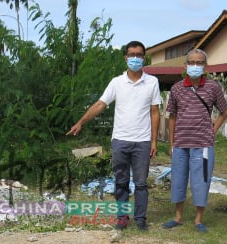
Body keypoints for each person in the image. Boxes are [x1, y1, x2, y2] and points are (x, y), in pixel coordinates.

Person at [66, 41, 162, 231]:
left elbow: (154, 112)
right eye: (131, 54)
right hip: (120, 141)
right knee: (121, 181)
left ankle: (141, 219)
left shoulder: (152, 82)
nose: (135, 58)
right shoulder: (117, 82)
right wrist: (81, 122)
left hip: (142, 142)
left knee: (141, 183)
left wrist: (153, 141)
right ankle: (122, 218)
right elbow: (100, 104)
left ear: (144, 57)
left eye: (139, 55)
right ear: (125, 57)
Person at [161, 49, 227, 233]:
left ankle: (199, 220)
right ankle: (177, 217)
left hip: (204, 143)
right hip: (180, 144)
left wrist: (213, 130)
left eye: (199, 62)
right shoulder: (176, 88)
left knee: (202, 179)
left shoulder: (213, 87)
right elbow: (171, 116)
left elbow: (224, 111)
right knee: (178, 179)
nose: (195, 66)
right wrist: (172, 143)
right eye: (191, 62)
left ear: (205, 67)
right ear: (185, 65)